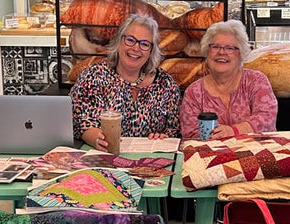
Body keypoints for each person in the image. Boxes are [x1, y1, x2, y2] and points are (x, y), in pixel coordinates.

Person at [70, 14, 181, 151]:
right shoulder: (93, 76)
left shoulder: (166, 84)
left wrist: (162, 137)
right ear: (119, 41)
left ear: (151, 51)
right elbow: (77, 120)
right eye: (130, 40)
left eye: (144, 44)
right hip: (103, 158)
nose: (136, 48)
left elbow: (174, 129)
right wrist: (94, 137)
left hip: (148, 162)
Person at [180, 20, 278, 139]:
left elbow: (266, 120)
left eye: (230, 48)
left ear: (241, 54)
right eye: (215, 47)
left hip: (257, 153)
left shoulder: (256, 81)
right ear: (207, 51)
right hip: (210, 154)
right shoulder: (193, 92)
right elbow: (189, 134)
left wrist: (232, 131)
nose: (222, 52)